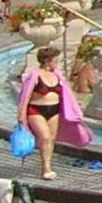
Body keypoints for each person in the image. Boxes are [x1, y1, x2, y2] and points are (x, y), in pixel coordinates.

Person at [16, 45, 73, 180]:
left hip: (54, 110)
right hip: (36, 110)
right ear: (48, 61)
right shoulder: (35, 75)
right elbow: (26, 95)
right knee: (45, 137)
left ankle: (46, 164)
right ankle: (46, 169)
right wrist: (21, 114)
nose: (57, 63)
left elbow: (67, 94)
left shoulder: (57, 75)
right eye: (55, 60)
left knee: (51, 140)